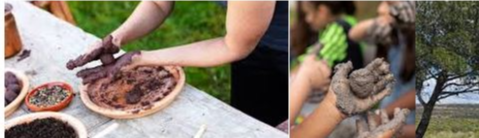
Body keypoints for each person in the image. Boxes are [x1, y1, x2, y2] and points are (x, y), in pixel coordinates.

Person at [66, 1, 289, 126]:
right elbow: (158, 4)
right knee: (250, 120)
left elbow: (236, 46)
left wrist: (139, 58)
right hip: (251, 35)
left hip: (288, 42)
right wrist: (116, 39)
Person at [288, 1, 416, 138]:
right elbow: (355, 33)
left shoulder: (340, 26)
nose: (380, 8)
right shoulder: (393, 33)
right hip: (383, 116)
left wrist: (304, 78)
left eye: (389, 4)